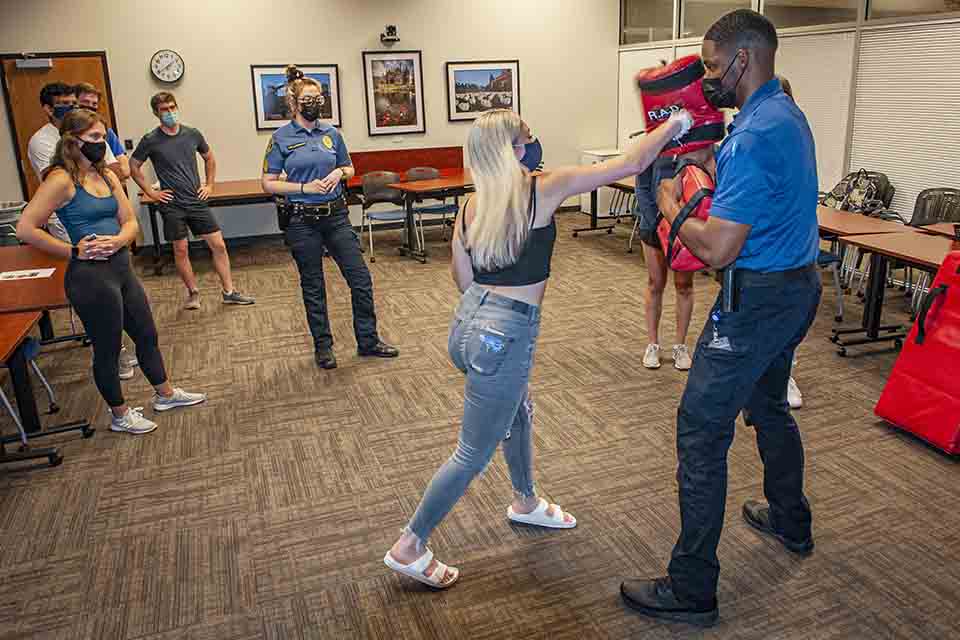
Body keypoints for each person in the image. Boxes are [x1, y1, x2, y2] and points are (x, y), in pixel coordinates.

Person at [383, 107, 693, 589]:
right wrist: (677, 123)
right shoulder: (543, 188)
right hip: (504, 335)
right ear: (512, 150)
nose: (534, 143)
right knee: (471, 453)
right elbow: (632, 163)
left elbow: (462, 279)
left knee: (518, 409)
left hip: (469, 327)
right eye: (528, 136)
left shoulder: (471, 205)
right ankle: (410, 545)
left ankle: (525, 501)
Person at [620, 10, 821, 627]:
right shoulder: (782, 114)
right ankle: (791, 520)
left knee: (701, 429)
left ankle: (692, 588)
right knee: (767, 407)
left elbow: (719, 248)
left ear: (744, 59)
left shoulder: (757, 133)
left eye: (711, 65)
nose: (707, 77)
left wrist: (670, 205)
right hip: (796, 289)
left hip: (756, 300)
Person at [16, 109, 207, 434]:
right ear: (72, 142)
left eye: (103, 137)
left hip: (121, 269)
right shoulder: (61, 179)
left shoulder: (106, 175)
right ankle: (119, 415)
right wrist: (73, 250)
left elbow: (130, 220)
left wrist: (120, 238)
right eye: (94, 138)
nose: (101, 144)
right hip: (90, 277)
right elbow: (25, 228)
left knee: (147, 335)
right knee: (107, 348)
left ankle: (165, 394)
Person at [261, 65, 398, 369]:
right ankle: (323, 347)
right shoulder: (281, 138)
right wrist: (303, 187)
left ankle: (368, 340)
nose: (316, 103)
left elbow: (349, 168)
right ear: (295, 103)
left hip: (336, 216)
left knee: (360, 279)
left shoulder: (331, 133)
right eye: (309, 99)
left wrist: (338, 172)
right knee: (314, 285)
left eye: (319, 98)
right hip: (301, 220)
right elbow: (268, 182)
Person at [633, 57, 725, 372]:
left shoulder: (701, 144)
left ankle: (680, 346)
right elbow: (643, 185)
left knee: (684, 286)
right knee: (655, 282)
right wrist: (653, 223)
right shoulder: (655, 141)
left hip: (686, 225)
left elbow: (708, 185)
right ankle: (652, 344)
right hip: (655, 223)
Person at [130, 92, 254, 310]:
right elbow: (133, 166)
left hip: (195, 200)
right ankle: (193, 293)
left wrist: (209, 185)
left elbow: (209, 158)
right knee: (181, 250)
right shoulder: (151, 140)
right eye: (163, 110)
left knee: (219, 245)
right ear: (156, 113)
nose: (169, 113)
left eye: (171, 107)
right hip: (172, 204)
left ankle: (229, 291)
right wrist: (151, 192)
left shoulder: (192, 134)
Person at [27, 82, 119, 241]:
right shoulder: (41, 141)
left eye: (73, 104)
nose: (71, 108)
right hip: (70, 219)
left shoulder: (91, 134)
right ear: (49, 109)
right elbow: (60, 181)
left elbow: (119, 170)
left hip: (101, 210)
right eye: (64, 104)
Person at [776, 73, 804, 411]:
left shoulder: (795, 138)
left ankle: (786, 373)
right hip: (753, 249)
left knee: (786, 317)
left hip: (790, 247)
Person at [74, 82, 130, 180]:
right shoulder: (68, 134)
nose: (90, 106)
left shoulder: (106, 132)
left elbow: (124, 171)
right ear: (75, 104)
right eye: (85, 102)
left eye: (94, 104)